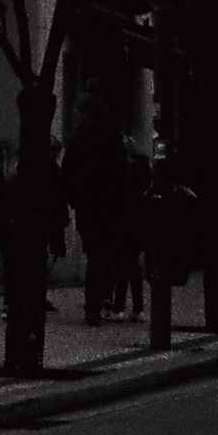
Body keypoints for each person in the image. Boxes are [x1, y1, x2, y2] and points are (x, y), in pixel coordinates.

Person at [0, 134, 56, 375]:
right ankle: (18, 301)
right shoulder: (17, 175)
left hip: (2, 224)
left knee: (9, 263)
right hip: (15, 224)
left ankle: (10, 301)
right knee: (18, 265)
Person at [60, 97, 129, 324]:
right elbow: (121, 173)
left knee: (94, 256)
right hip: (107, 205)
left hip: (87, 206)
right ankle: (98, 303)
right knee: (103, 257)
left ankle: (93, 306)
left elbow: (67, 172)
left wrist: (74, 199)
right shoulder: (110, 137)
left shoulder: (78, 139)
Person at [111, 141, 149, 319]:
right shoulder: (142, 168)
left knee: (123, 266)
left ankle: (120, 306)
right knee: (133, 266)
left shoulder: (120, 169)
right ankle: (137, 307)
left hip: (123, 221)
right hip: (136, 221)